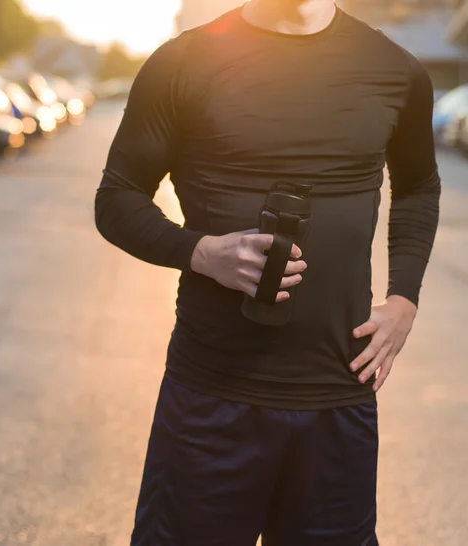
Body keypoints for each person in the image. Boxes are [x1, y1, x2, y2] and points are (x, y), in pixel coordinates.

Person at [95, 0, 441, 544]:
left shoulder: (395, 69)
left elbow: (419, 186)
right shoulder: (183, 62)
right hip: (212, 395)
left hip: (337, 395)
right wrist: (202, 251)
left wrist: (405, 299)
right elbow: (116, 198)